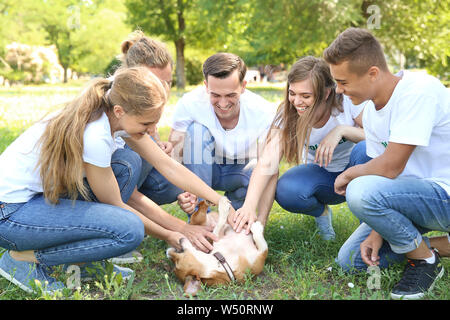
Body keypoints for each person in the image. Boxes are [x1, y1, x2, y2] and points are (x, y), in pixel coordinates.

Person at [0, 66, 226, 294]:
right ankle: (20, 260)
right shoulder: (95, 135)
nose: (152, 130)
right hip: (10, 214)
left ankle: (84, 261)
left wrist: (221, 201)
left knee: (126, 164)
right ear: (120, 111)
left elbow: (168, 165)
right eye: (147, 124)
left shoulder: (114, 114)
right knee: (128, 230)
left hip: (36, 201)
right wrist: (171, 234)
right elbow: (116, 205)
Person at [324, 27, 450, 300]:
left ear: (372, 73)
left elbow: (389, 167)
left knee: (360, 188)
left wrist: (351, 174)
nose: (339, 90)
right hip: (415, 198)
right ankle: (433, 246)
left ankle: (424, 261)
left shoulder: (418, 91)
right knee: (351, 262)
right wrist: (378, 231)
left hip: (444, 194)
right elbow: (388, 179)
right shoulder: (370, 112)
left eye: (343, 82)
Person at [234, 56, 370, 238]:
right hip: (325, 179)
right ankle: (321, 214)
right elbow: (268, 161)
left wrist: (342, 130)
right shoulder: (287, 114)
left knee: (365, 149)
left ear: (326, 93)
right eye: (292, 93)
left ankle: (371, 230)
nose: (297, 101)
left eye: (306, 96)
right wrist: (251, 208)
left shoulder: (348, 103)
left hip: (357, 175)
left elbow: (379, 140)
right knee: (287, 190)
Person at [169, 53, 277, 227]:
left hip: (237, 169)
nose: (223, 103)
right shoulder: (189, 103)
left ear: (243, 86)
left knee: (259, 171)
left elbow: (270, 166)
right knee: (196, 131)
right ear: (206, 86)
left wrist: (260, 221)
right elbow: (174, 153)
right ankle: (201, 218)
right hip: (201, 168)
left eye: (230, 95)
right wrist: (184, 191)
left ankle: (236, 217)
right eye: (216, 95)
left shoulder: (264, 111)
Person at [109, 30, 184, 264]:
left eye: (168, 82)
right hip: (101, 182)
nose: (163, 88)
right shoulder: (117, 100)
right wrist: (178, 230)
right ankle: (115, 230)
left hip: (122, 172)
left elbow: (149, 131)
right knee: (130, 161)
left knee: (170, 184)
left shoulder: (146, 98)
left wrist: (158, 143)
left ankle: (134, 222)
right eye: (156, 81)